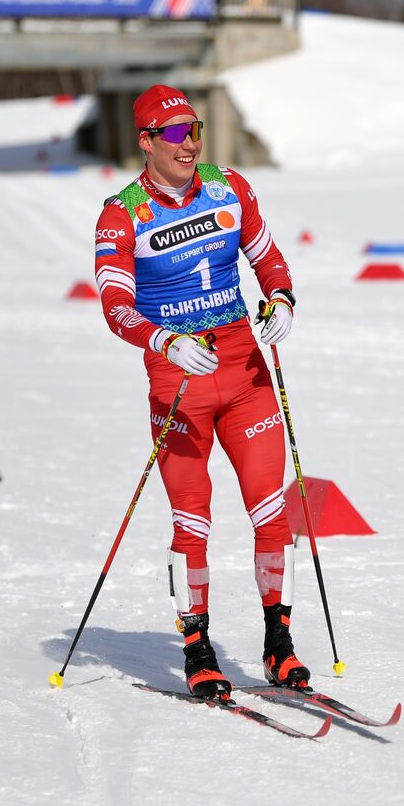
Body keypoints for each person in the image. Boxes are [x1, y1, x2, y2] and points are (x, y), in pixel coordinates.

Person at [92, 84, 309, 697]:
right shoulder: (122, 213)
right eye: (175, 134)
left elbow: (267, 260)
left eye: (195, 130)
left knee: (271, 509)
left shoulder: (228, 188)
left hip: (242, 368)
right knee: (193, 522)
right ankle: (198, 647)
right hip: (179, 380)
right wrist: (161, 340)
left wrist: (283, 301)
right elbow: (115, 306)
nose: (189, 143)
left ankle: (279, 644)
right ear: (146, 142)